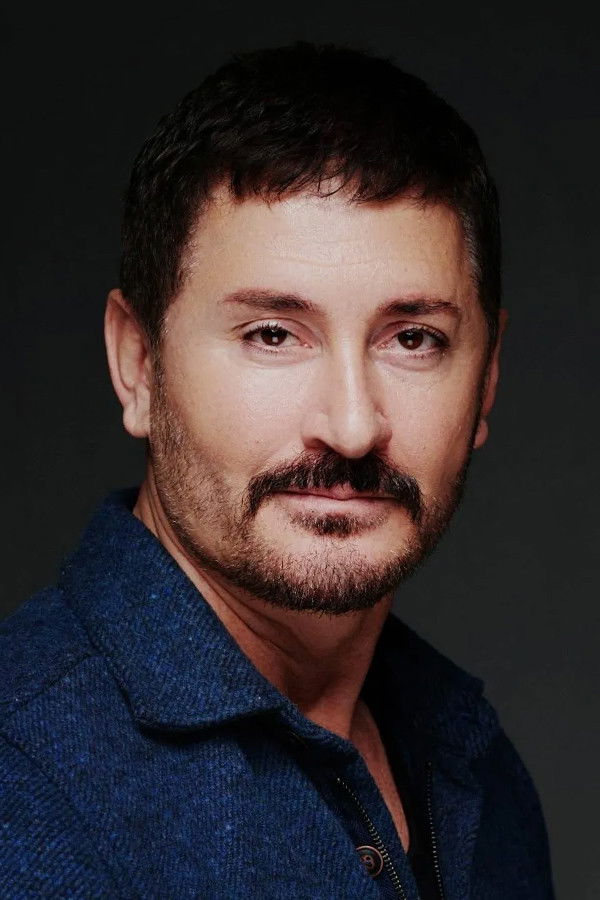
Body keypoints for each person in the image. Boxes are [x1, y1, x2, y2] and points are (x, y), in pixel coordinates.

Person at [0, 43, 554, 899]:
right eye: (273, 335)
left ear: (486, 378)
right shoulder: (22, 781)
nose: (352, 426)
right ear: (138, 363)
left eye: (413, 339)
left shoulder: (476, 766)